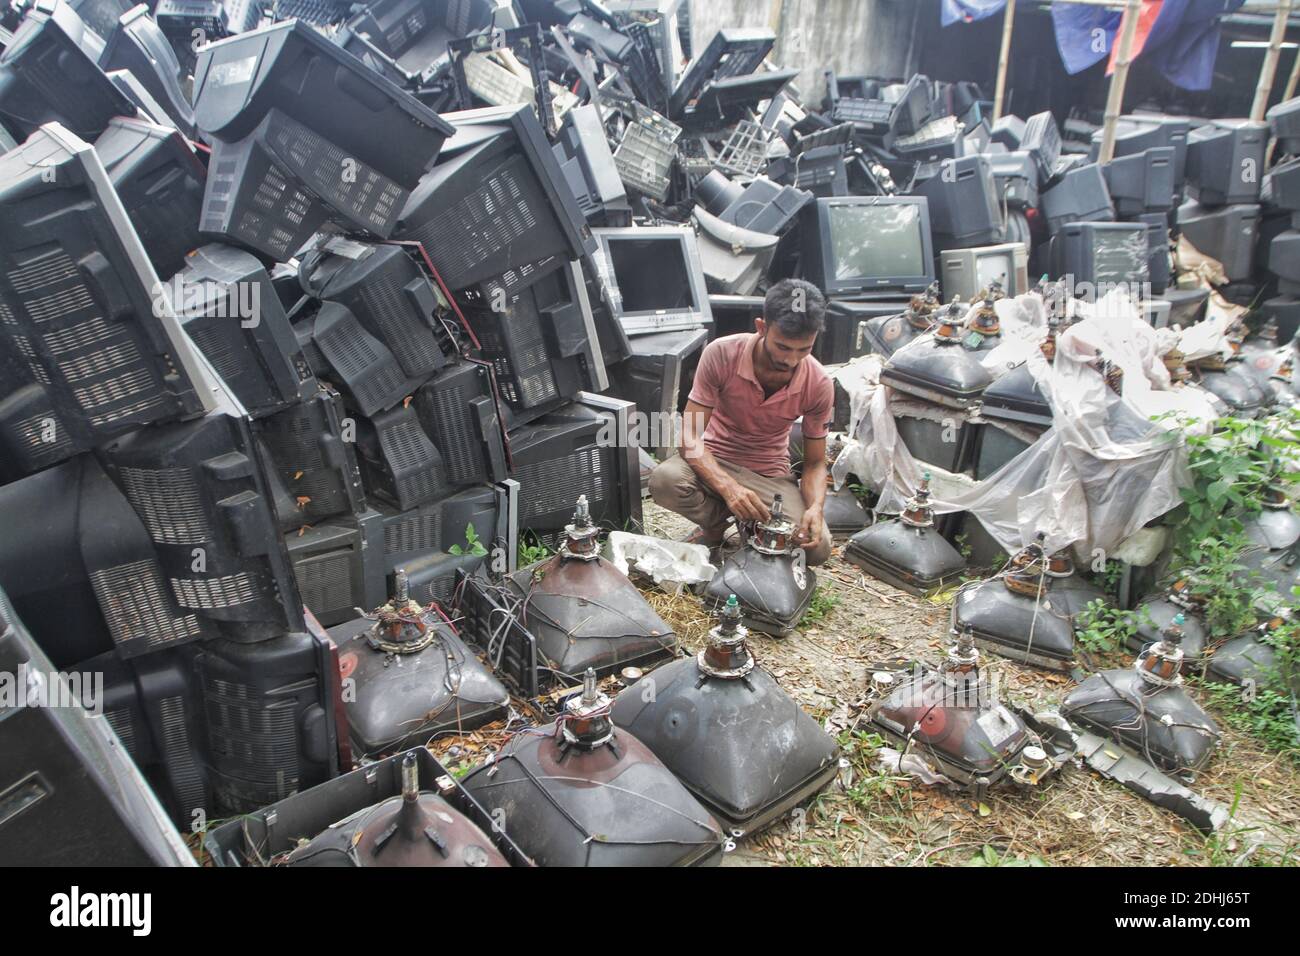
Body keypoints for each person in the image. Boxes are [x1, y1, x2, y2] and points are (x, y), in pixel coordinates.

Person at [649, 278, 834, 564]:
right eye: (783, 347)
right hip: (714, 458)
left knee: (816, 549)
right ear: (761, 327)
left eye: (804, 350)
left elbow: (814, 463)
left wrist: (816, 508)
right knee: (665, 480)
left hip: (768, 473)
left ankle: (749, 524)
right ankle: (718, 525)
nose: (792, 360)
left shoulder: (819, 382)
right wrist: (729, 489)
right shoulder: (721, 353)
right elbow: (689, 436)